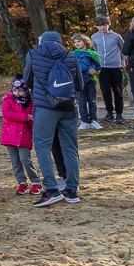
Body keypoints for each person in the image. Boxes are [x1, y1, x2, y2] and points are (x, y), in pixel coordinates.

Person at [24, 30, 84, 207]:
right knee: (70, 148)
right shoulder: (71, 55)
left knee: (42, 146)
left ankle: (51, 190)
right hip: (69, 107)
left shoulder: (34, 53)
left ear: (43, 40)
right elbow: (79, 84)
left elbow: (27, 80)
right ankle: (72, 189)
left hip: (45, 106)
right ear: (59, 41)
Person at [1, 76, 41, 195]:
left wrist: (31, 122)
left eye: (20, 91)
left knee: (25, 159)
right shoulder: (7, 100)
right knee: (15, 161)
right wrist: (25, 117)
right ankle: (22, 182)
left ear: (26, 90)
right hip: (10, 135)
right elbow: (8, 114)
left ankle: (36, 182)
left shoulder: (30, 103)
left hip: (24, 135)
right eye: (15, 90)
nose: (17, 93)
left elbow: (32, 121)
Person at [92, 17, 126, 123]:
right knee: (105, 90)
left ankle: (119, 113)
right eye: (100, 25)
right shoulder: (94, 37)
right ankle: (109, 112)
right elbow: (95, 50)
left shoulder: (116, 36)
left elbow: (123, 48)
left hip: (115, 66)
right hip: (102, 67)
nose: (102, 27)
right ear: (96, 26)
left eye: (104, 25)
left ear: (109, 25)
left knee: (117, 90)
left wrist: (123, 60)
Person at [70, 33, 103, 131]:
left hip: (91, 79)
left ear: (85, 42)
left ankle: (93, 120)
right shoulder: (73, 54)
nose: (77, 44)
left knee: (92, 101)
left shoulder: (93, 54)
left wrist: (95, 71)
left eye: (79, 41)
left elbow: (98, 66)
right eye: (75, 42)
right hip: (79, 81)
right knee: (81, 101)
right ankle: (84, 120)